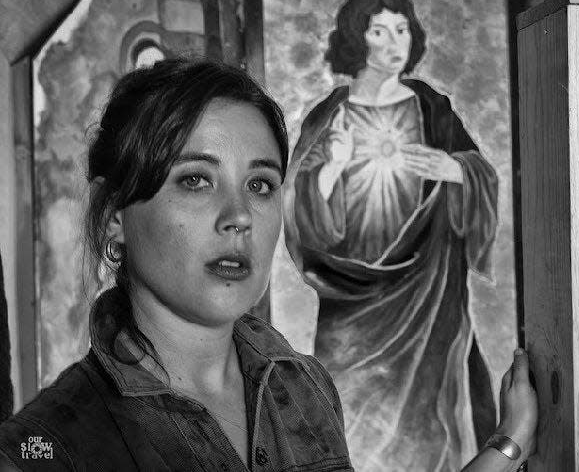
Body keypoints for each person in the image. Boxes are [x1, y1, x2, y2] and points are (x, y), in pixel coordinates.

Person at [0, 58, 537, 471]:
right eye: (195, 180)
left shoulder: (303, 388)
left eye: (259, 185)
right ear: (116, 215)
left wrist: (508, 443)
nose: (239, 217)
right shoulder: (49, 447)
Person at [284, 0, 505, 471]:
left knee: (430, 423)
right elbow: (300, 214)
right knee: (351, 420)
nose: (393, 42)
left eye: (401, 29)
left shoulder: (431, 107)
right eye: (378, 30)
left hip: (426, 291)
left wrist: (454, 170)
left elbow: (479, 172)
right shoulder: (329, 116)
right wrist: (331, 169)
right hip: (352, 298)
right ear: (355, 39)